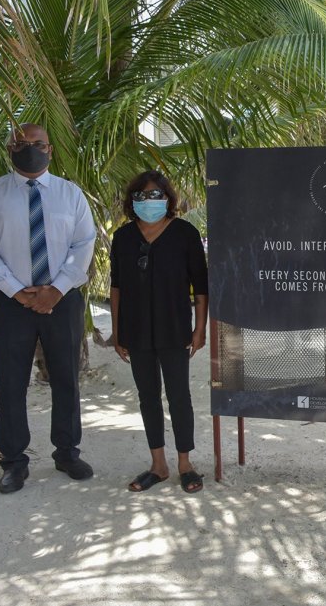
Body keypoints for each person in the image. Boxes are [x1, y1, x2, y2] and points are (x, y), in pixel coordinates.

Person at [0, 123, 96, 494]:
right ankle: (13, 461)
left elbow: (83, 244)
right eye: (22, 144)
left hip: (62, 299)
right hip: (11, 303)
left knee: (66, 379)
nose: (30, 149)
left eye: (38, 143)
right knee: (10, 382)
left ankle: (67, 452)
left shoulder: (71, 195)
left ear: (50, 150)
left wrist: (55, 290)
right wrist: (15, 291)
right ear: (10, 149)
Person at [110, 170, 208, 493]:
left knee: (179, 396)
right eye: (141, 196)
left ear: (167, 198)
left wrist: (200, 329)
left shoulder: (185, 234)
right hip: (136, 332)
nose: (149, 202)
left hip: (174, 329)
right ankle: (158, 465)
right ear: (132, 201)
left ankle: (185, 464)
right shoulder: (123, 238)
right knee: (147, 397)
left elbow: (201, 288)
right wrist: (117, 331)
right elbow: (116, 287)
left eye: (156, 195)